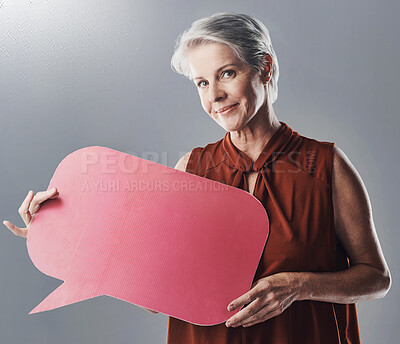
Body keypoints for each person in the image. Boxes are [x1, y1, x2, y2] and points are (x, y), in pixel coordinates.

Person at [3, 12, 391, 344]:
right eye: (202, 83)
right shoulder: (192, 168)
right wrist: (60, 237)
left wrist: (301, 286)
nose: (215, 96)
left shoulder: (326, 165)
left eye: (227, 73)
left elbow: (376, 277)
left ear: (265, 67)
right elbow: (154, 288)